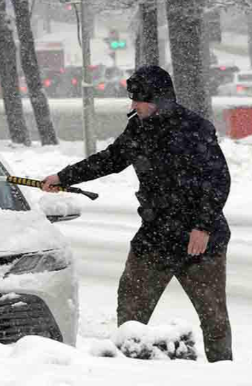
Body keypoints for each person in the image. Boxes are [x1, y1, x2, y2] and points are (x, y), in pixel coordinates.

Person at [42, 65, 232, 363]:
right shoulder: (140, 128)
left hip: (201, 242)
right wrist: (64, 177)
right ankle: (129, 372)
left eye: (138, 100)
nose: (133, 105)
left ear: (160, 99)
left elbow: (217, 180)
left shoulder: (195, 129)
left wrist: (203, 226)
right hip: (155, 236)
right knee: (131, 313)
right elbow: (111, 159)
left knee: (215, 318)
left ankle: (226, 375)